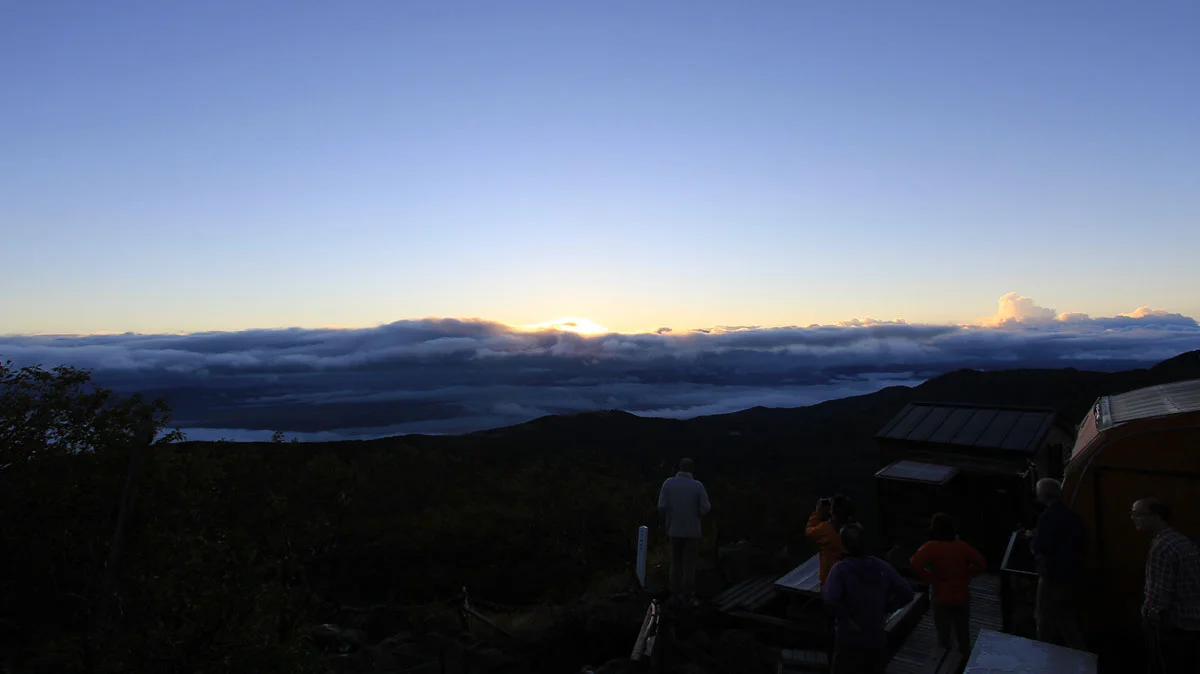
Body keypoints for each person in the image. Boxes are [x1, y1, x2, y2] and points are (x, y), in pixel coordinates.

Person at [822, 523, 916, 674]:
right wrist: (887, 608)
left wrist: (845, 618)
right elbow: (907, 592)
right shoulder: (881, 566)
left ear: (844, 545)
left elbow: (829, 599)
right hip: (876, 639)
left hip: (849, 641)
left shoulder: (840, 570)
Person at [1130, 498, 1200, 673]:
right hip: (1192, 620)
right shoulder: (1181, 540)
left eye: (1138, 514)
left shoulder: (1162, 547)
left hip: (1174, 625)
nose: (1133, 518)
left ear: (1157, 516)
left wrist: (1149, 615)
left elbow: (1159, 592)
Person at [910, 513, 987, 655]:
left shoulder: (930, 547)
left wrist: (929, 577)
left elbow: (914, 562)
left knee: (943, 635)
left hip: (940, 593)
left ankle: (944, 662)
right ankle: (964, 663)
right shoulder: (961, 546)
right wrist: (967, 574)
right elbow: (981, 563)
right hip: (961, 593)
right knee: (963, 633)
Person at [1025, 478, 1086, 649]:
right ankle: (1079, 653)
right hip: (1071, 573)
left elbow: (1040, 546)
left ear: (1043, 495)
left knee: (1043, 618)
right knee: (1064, 616)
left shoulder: (1047, 517)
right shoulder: (1073, 516)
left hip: (1051, 574)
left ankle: (1043, 654)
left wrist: (1033, 538)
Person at [657, 458, 711, 604]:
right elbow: (705, 508)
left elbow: (661, 506)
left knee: (675, 561)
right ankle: (687, 593)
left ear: (678, 468)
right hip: (692, 530)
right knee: (689, 562)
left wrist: (665, 522)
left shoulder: (668, 484)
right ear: (692, 469)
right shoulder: (698, 486)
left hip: (673, 529)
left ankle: (674, 591)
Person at [807, 494, 853, 585]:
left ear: (832, 512)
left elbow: (809, 532)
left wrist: (817, 513)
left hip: (830, 578)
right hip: (849, 576)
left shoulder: (824, 529)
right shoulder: (854, 529)